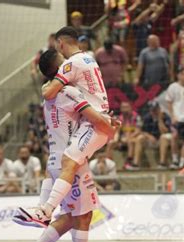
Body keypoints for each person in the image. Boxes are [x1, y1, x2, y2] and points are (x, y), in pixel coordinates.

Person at [13, 52, 111, 242]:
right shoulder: (69, 92)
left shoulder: (51, 93)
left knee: (71, 217)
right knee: (84, 216)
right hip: (72, 162)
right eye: (63, 60)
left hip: (56, 161)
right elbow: (96, 120)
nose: (68, 62)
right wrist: (110, 123)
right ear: (60, 68)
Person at [18, 27, 117, 228]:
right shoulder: (89, 58)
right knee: (81, 216)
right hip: (95, 119)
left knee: (67, 165)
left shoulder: (70, 66)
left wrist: (46, 85)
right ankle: (42, 216)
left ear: (60, 43)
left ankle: (44, 211)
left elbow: (48, 92)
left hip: (90, 125)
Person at [107, 101, 143, 170]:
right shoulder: (119, 118)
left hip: (133, 138)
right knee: (111, 143)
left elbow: (138, 130)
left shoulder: (136, 117)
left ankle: (130, 162)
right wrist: (116, 140)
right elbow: (117, 131)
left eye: (126, 107)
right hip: (122, 139)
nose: (125, 109)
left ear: (130, 108)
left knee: (131, 141)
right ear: (120, 109)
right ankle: (109, 165)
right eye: (123, 107)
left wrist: (128, 137)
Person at [135, 102, 172, 169]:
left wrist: (160, 120)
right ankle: (135, 164)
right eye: (152, 110)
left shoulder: (165, 116)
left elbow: (165, 131)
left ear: (159, 109)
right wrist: (149, 136)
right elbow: (142, 131)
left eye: (156, 110)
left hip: (163, 140)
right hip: (151, 140)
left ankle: (162, 163)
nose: (154, 112)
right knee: (140, 138)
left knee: (163, 137)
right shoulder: (147, 117)